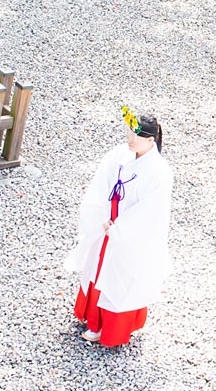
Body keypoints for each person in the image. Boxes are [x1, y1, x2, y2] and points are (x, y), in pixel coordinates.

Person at [67, 111, 174, 346]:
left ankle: (108, 327)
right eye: (129, 133)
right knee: (97, 269)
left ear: (150, 140)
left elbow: (150, 211)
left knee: (120, 277)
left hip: (128, 233)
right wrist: (103, 216)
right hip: (108, 223)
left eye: (136, 136)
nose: (130, 140)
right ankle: (92, 319)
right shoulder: (120, 154)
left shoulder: (159, 171)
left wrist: (119, 226)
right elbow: (101, 182)